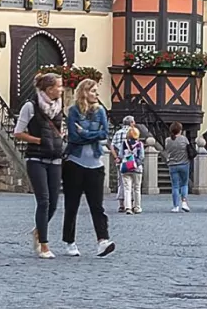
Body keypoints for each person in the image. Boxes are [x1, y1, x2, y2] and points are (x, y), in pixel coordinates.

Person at [13, 72, 66, 259]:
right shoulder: (30, 106)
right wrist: (38, 140)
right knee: (43, 201)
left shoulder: (60, 106)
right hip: (36, 159)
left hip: (55, 159)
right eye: (59, 86)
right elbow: (18, 132)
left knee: (53, 203)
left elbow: (59, 128)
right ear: (49, 89)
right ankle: (44, 245)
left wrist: (61, 137)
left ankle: (38, 230)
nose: (62, 89)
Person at [61, 78, 116, 257]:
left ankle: (103, 240)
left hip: (95, 163)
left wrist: (84, 133)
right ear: (84, 92)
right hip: (74, 163)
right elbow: (73, 138)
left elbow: (104, 134)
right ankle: (70, 242)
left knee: (97, 205)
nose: (96, 94)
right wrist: (91, 135)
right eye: (93, 91)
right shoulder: (73, 111)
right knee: (72, 205)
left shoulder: (100, 111)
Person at [112, 119, 144, 214]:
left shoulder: (124, 143)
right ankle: (137, 207)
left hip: (125, 167)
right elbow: (141, 157)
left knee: (127, 188)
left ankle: (128, 207)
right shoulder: (139, 144)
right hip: (137, 168)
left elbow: (121, 155)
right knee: (137, 188)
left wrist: (121, 160)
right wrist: (136, 163)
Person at [163, 122, 192, 213]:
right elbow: (188, 149)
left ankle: (175, 206)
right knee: (184, 184)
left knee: (175, 186)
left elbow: (167, 150)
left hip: (172, 164)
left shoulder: (168, 140)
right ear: (180, 130)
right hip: (184, 163)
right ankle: (184, 202)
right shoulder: (184, 139)